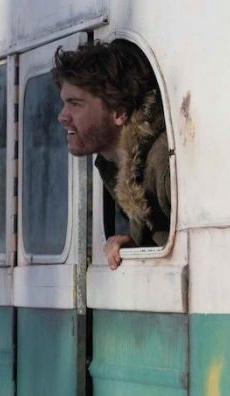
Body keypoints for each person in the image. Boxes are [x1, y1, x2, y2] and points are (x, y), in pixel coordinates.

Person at [53, 40, 170, 270]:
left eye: (75, 104)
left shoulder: (164, 163)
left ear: (119, 112)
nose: (62, 117)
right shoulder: (111, 164)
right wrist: (135, 242)